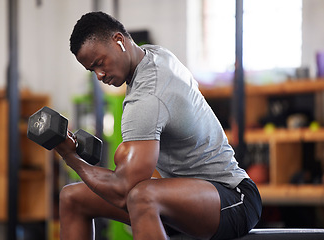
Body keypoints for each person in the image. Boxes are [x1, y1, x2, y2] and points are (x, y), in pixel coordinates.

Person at [55, 11, 262, 240]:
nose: (100, 75)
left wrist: (70, 157)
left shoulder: (148, 95)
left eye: (100, 63)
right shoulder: (153, 54)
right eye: (92, 70)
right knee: (72, 197)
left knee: (142, 196)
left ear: (119, 41)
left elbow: (123, 192)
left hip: (232, 198)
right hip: (182, 201)